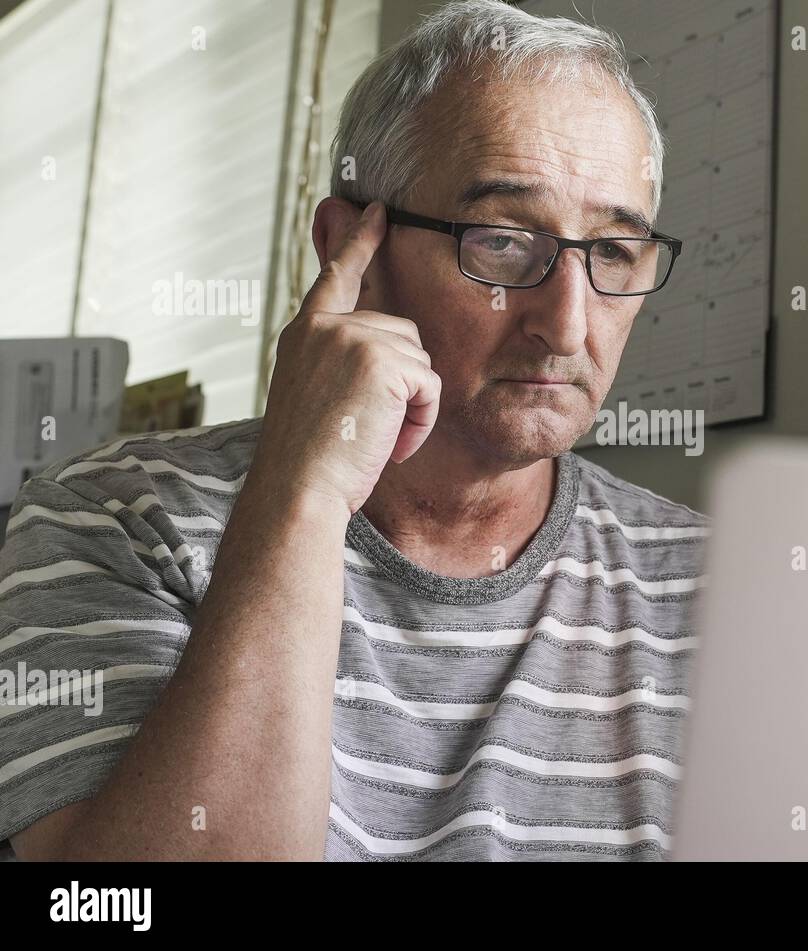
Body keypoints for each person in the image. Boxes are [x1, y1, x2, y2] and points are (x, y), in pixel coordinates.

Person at [0, 0, 707, 861]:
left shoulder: (718, 587)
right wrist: (305, 495)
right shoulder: (107, 519)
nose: (566, 324)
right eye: (502, 240)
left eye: (612, 253)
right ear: (350, 250)